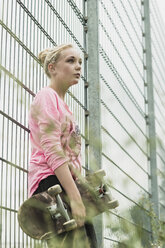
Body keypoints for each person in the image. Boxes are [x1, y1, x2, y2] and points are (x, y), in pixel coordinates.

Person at [28, 44, 97, 248]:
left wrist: (81, 187)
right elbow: (52, 150)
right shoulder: (46, 96)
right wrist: (75, 196)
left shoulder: (64, 105)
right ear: (52, 68)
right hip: (52, 185)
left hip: (66, 183)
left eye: (79, 62)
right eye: (70, 61)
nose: (78, 67)